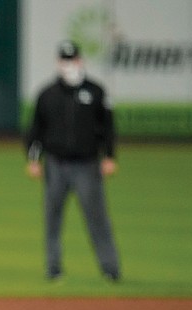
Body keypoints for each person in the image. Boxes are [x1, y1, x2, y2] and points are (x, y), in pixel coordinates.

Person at [25, 40, 121, 282]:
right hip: (56, 164)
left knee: (97, 217)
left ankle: (110, 268)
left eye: (72, 59)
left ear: (80, 60)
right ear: (59, 63)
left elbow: (107, 127)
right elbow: (35, 130)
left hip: (87, 164)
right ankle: (53, 267)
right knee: (53, 218)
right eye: (64, 60)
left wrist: (109, 155)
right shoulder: (47, 94)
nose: (69, 65)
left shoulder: (96, 91)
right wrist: (33, 159)